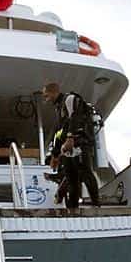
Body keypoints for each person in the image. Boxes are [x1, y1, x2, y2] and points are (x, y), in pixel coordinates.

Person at [42, 82, 100, 210]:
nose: (46, 99)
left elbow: (75, 118)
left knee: (85, 173)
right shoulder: (58, 108)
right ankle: (73, 208)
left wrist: (70, 138)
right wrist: (55, 155)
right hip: (67, 148)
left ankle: (96, 204)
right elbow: (58, 133)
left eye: (46, 96)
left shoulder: (70, 99)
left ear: (54, 92)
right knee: (71, 178)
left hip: (80, 143)